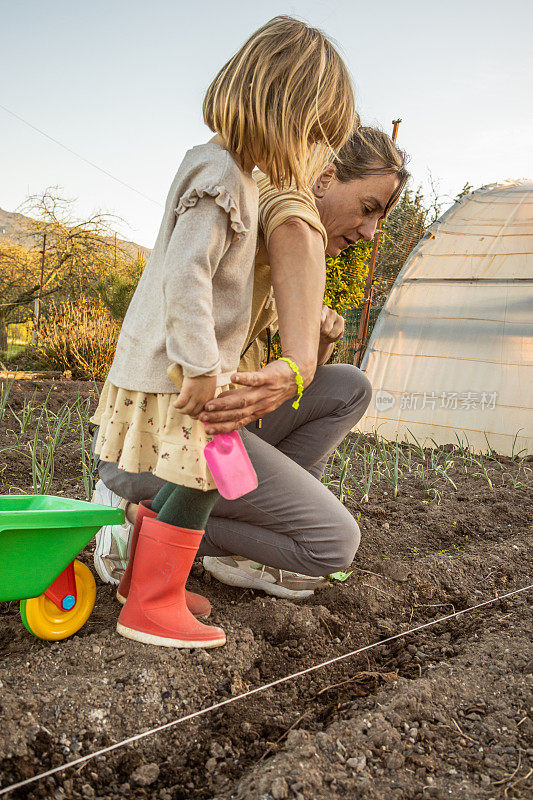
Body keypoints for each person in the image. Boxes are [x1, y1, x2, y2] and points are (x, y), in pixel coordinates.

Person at [89, 16, 356, 650]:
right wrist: (204, 365)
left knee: (209, 478)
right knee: (204, 476)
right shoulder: (222, 177)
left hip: (182, 371)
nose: (316, 156)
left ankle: (150, 583)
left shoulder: (222, 169)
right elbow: (187, 276)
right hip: (180, 376)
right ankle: (151, 606)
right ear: (288, 115)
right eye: (317, 136)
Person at [93, 127, 409, 600]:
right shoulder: (277, 205)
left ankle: (230, 535)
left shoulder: (276, 245)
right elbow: (291, 215)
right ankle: (141, 518)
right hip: (160, 440)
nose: (369, 232)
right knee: (331, 545)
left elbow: (274, 381)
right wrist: (300, 357)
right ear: (324, 177)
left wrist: (316, 348)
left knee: (350, 386)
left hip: (211, 421)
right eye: (368, 209)